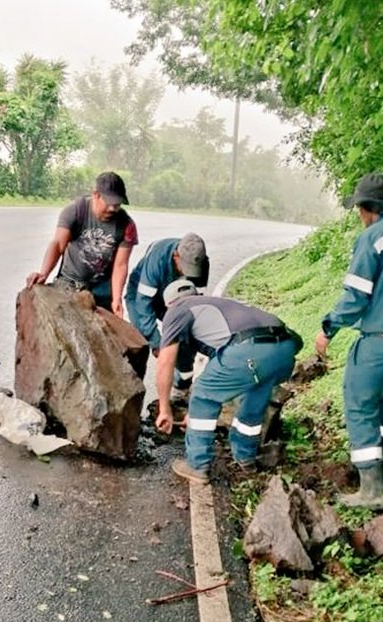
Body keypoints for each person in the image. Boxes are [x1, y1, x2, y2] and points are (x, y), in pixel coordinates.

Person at [315, 172, 383, 510]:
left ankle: (372, 489)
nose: (359, 215)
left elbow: (356, 297)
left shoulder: (375, 237)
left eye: (359, 208)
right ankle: (379, 456)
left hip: (382, 338)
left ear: (371, 208)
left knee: (359, 401)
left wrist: (328, 327)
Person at [155, 280, 301, 484]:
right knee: (255, 399)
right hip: (285, 349)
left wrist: (164, 409)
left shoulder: (177, 310)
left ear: (169, 304)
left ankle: (197, 465)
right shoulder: (218, 304)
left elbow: (165, 362)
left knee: (203, 395)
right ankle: (246, 458)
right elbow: (298, 342)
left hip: (247, 351)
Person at [24, 172, 137, 314]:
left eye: (117, 204)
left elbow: (120, 265)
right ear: (96, 194)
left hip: (102, 289)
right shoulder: (76, 211)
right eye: (109, 204)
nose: (113, 209)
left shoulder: (126, 225)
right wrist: (44, 273)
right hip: (69, 282)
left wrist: (117, 299)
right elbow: (59, 244)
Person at [125, 233, 209, 392]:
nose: (188, 274)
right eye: (185, 267)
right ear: (176, 255)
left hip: (176, 295)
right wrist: (157, 344)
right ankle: (132, 388)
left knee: (187, 333)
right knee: (140, 337)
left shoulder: (202, 262)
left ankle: (183, 383)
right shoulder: (158, 258)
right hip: (141, 295)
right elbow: (143, 306)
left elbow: (194, 305)